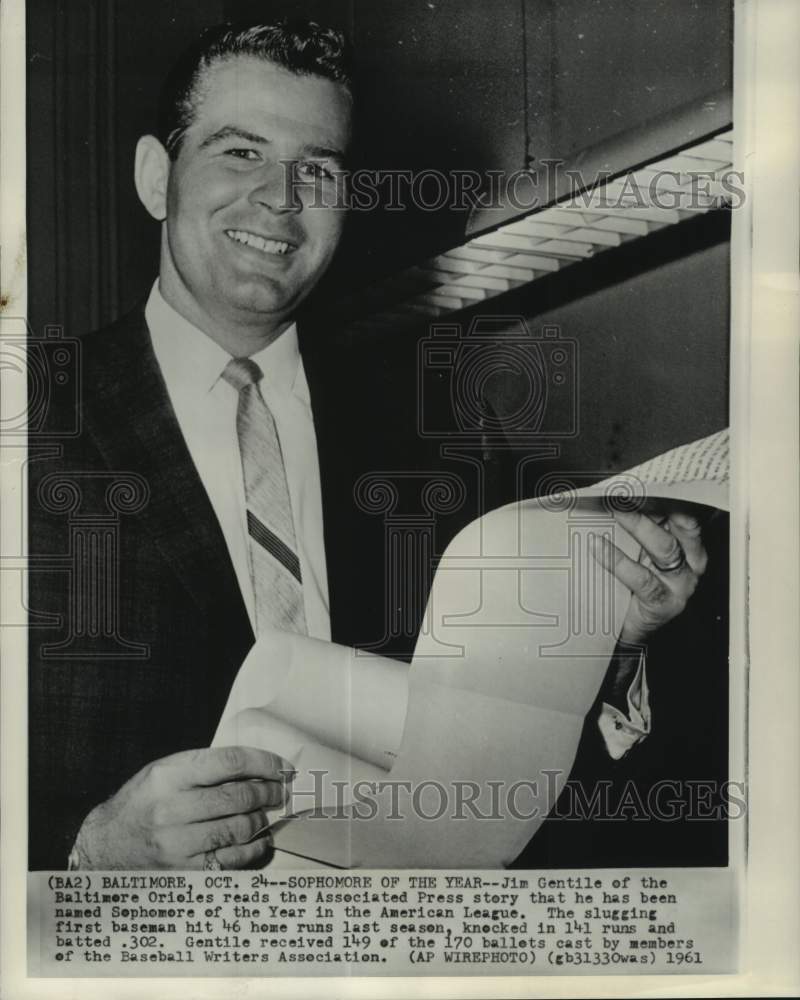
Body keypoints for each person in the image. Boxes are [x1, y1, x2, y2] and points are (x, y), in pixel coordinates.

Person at [28, 19, 709, 871]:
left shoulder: (438, 442)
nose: (281, 197)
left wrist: (614, 635)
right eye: (240, 152)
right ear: (155, 177)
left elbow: (509, 747)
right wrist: (86, 850)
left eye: (317, 167)